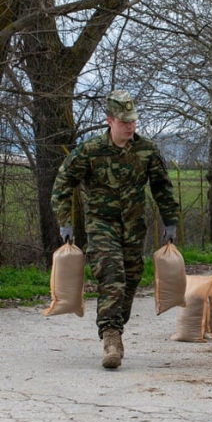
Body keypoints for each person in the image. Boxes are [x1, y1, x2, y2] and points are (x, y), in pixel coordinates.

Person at [52, 90, 179, 369]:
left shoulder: (146, 150)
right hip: (101, 227)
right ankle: (110, 338)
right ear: (110, 121)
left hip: (134, 229)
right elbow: (63, 184)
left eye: (133, 120)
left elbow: (163, 188)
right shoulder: (90, 151)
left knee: (131, 281)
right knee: (113, 278)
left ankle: (116, 328)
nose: (130, 126)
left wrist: (170, 222)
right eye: (124, 121)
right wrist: (66, 221)